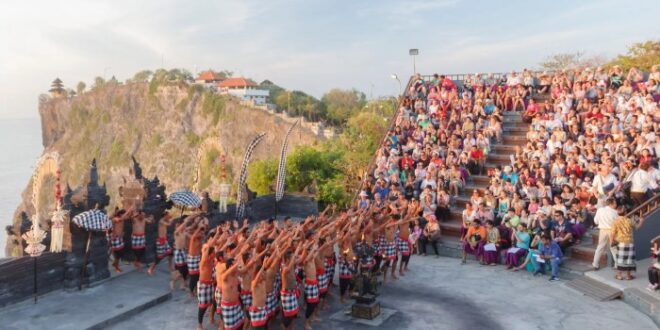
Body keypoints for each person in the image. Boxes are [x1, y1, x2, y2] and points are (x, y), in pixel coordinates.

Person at [611, 206, 646, 280]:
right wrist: (641, 221)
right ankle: (628, 276)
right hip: (630, 242)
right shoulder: (629, 220)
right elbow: (637, 227)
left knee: (620, 259)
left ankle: (619, 275)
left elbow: (612, 233)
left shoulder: (615, 221)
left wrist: (612, 241)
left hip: (621, 243)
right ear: (625, 213)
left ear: (618, 213)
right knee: (629, 259)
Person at [592, 198, 619, 270]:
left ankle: (595, 264)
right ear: (611, 204)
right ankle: (617, 264)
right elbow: (617, 224)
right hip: (612, 231)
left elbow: (596, 221)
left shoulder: (600, 210)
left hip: (602, 230)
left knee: (600, 247)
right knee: (613, 248)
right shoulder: (615, 212)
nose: (616, 205)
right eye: (615, 203)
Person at [110, 208, 133, 273]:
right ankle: (116, 266)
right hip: (115, 238)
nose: (127, 216)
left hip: (120, 238)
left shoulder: (123, 218)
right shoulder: (115, 219)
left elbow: (129, 217)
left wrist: (131, 211)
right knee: (117, 254)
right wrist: (128, 210)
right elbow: (119, 219)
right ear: (120, 214)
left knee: (120, 252)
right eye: (125, 214)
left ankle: (115, 263)